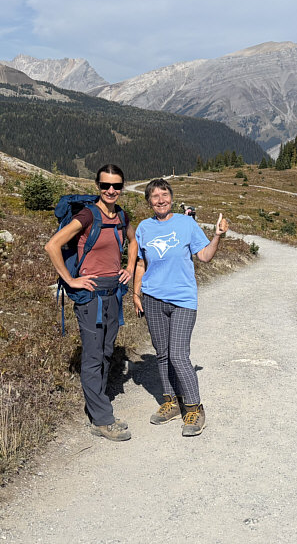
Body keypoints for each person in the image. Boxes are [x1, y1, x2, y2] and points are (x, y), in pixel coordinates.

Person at [44, 164, 137, 442]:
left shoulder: (121, 215)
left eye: (117, 186)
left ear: (121, 188)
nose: (111, 191)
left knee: (107, 351)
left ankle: (97, 402)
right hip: (91, 296)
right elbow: (52, 245)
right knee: (94, 355)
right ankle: (101, 419)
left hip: (114, 293)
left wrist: (129, 268)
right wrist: (71, 281)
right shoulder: (88, 215)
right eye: (106, 185)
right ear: (97, 186)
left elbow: (133, 242)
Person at [132, 178, 227, 437]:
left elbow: (205, 256)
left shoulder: (186, 223)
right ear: (149, 201)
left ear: (171, 198)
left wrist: (217, 235)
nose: (160, 200)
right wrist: (136, 292)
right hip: (152, 298)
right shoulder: (144, 228)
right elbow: (141, 264)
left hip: (183, 300)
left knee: (178, 356)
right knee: (161, 354)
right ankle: (171, 402)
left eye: (164, 195)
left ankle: (195, 407)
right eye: (154, 196)